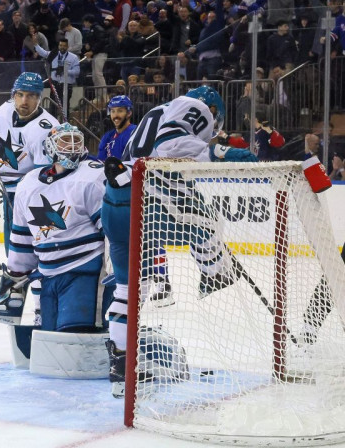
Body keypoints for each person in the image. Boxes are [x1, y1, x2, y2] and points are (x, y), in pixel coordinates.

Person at [100, 86, 258, 397]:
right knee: (207, 222)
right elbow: (168, 146)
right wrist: (218, 152)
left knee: (130, 289)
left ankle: (120, 365)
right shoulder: (195, 105)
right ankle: (214, 272)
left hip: (117, 201)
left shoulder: (156, 112)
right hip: (151, 197)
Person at [0, 72, 60, 325]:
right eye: (20, 95)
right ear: (13, 96)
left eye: (31, 96)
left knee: (41, 254)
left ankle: (42, 309)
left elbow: (44, 177)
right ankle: (15, 297)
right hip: (9, 191)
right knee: (15, 253)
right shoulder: (6, 111)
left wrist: (25, 198)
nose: (25, 101)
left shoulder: (47, 129)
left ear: (40, 98)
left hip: (35, 199)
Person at [6, 124, 106, 332]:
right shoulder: (28, 183)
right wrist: (15, 274)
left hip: (84, 271)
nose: (71, 147)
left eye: (76, 141)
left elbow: (112, 233)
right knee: (49, 336)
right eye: (64, 141)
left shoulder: (92, 177)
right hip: (48, 276)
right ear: (49, 147)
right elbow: (23, 237)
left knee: (74, 335)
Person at [33, 39, 81, 118]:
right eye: (60, 45)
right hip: (55, 84)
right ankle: (53, 125)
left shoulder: (74, 57)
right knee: (53, 107)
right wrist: (36, 45)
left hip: (66, 85)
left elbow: (77, 72)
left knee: (65, 107)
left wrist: (65, 71)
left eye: (64, 46)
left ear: (67, 47)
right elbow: (43, 53)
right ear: (58, 46)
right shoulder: (54, 54)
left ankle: (65, 124)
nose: (62, 47)